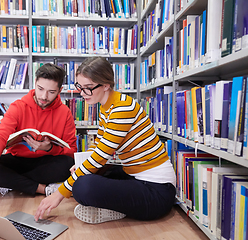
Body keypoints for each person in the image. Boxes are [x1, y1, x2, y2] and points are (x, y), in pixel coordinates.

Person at [35, 57, 176, 224]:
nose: (82, 93)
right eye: (79, 87)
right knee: (81, 175)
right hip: (135, 177)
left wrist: (59, 193)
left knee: (82, 186)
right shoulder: (106, 106)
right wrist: (81, 164)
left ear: (106, 85)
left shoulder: (122, 108)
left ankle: (116, 207)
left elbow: (101, 156)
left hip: (157, 191)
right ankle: (116, 205)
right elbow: (98, 147)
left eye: (88, 88)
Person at [0, 63, 77, 197]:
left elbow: (72, 152)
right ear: (35, 83)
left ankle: (9, 183)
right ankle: (43, 189)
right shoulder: (18, 107)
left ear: (59, 90)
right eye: (40, 89)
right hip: (17, 160)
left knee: (69, 164)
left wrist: (50, 149)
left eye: (51, 92)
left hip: (46, 162)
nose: (44, 96)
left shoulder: (65, 112)